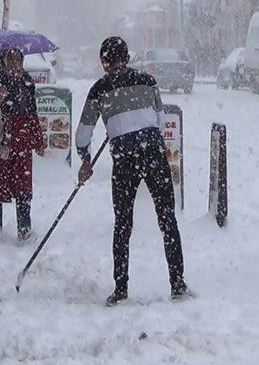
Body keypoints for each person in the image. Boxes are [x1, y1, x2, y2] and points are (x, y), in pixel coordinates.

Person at [76, 37, 193, 307]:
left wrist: (85, 159)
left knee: (123, 224)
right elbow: (160, 119)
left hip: (124, 160)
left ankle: (120, 288)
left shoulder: (98, 89)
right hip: (153, 153)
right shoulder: (149, 81)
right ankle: (177, 282)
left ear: (105, 61)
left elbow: (83, 134)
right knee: (167, 220)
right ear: (127, 58)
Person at [0, 48, 44, 243]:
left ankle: (24, 230)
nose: (14, 64)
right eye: (10, 59)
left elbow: (32, 111)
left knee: (22, 186)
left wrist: (37, 139)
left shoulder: (26, 82)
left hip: (21, 141)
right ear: (2, 61)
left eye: (17, 59)